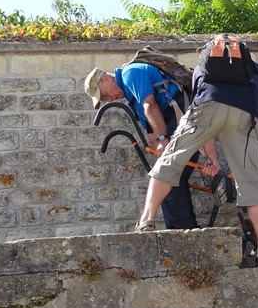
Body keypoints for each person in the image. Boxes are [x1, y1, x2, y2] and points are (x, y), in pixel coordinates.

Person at [134, 46, 258, 267]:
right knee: (252, 183)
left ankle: (146, 221)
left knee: (169, 161)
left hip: (208, 108)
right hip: (245, 116)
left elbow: (203, 112)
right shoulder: (256, 70)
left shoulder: (201, 69)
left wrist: (211, 159)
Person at [84, 63, 199, 229]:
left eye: (104, 95)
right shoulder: (132, 99)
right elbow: (151, 132)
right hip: (175, 117)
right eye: (105, 100)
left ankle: (181, 232)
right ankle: (186, 230)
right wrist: (160, 149)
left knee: (167, 176)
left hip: (181, 112)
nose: (109, 100)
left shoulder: (131, 73)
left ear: (105, 79)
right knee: (168, 177)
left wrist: (163, 139)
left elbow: (150, 105)